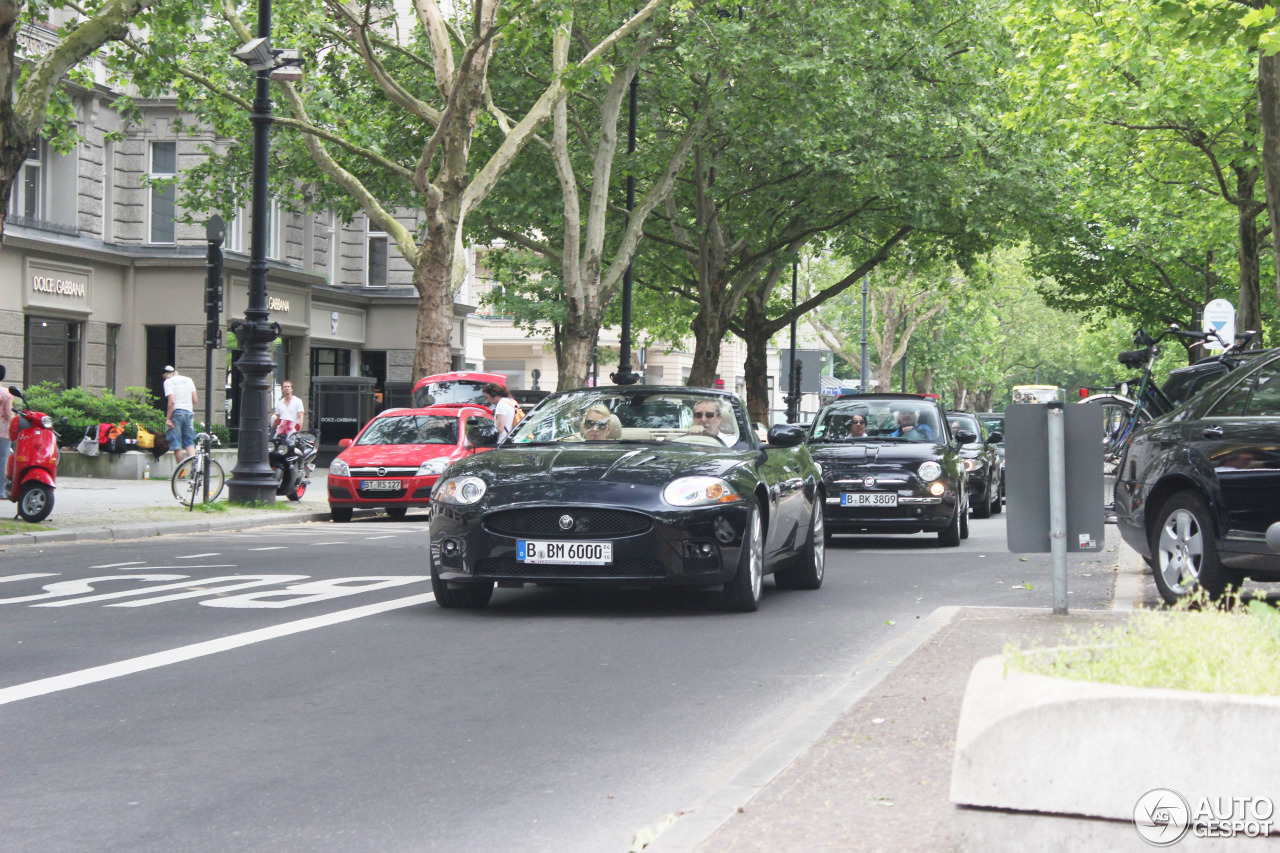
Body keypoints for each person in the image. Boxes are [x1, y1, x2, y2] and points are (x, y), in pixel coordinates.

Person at [163, 365, 198, 463]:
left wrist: (168, 419)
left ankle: (181, 474)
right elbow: (195, 399)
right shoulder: (188, 380)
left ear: (165, 375)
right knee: (189, 442)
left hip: (176, 413)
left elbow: (171, 402)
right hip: (188, 412)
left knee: (176, 444)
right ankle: (195, 470)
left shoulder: (168, 382)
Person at [0, 365, 11, 494]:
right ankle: (1, 491)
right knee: (2, 460)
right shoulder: (6, 394)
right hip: (2, 429)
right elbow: (8, 414)